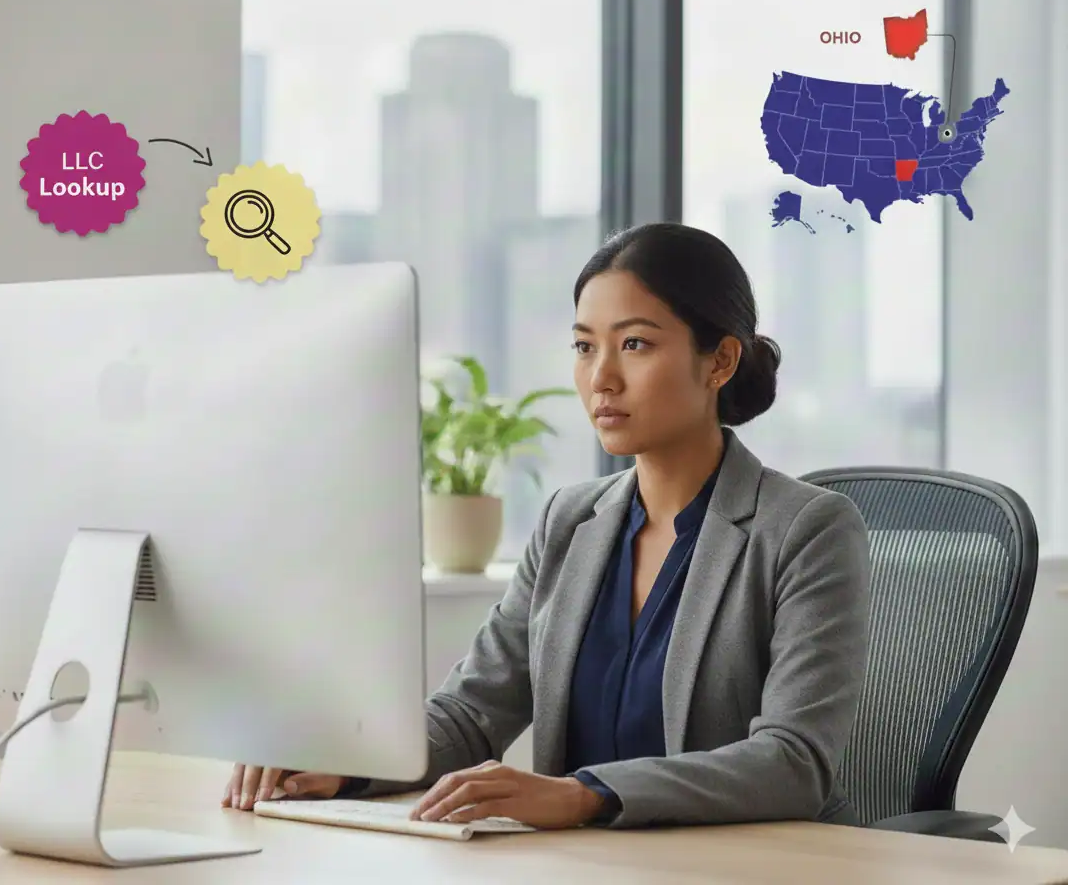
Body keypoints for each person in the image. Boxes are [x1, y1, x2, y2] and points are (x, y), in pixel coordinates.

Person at [223, 222, 872, 830]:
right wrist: (350, 761)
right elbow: (471, 715)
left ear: (720, 361)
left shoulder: (806, 530)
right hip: (579, 865)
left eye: (635, 344)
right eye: (585, 347)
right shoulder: (571, 522)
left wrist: (584, 794)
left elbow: (793, 762)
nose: (602, 378)